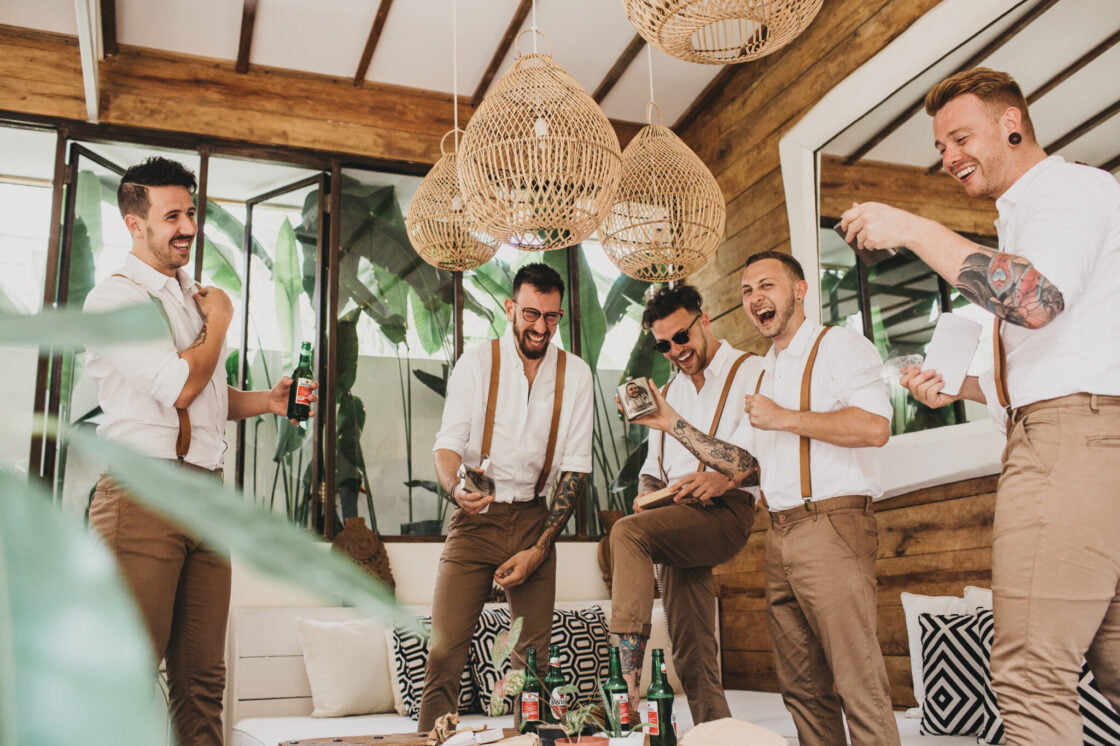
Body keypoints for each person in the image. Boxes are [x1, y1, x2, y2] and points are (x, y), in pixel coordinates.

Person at [842, 67, 1120, 743]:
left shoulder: (1065, 190)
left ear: (1011, 123)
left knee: (1030, 675)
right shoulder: (1031, 214)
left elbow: (1035, 300)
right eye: (941, 146)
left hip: (1070, 445)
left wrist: (912, 228)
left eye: (961, 137)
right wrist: (964, 388)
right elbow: (1060, 349)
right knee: (1114, 660)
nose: (949, 156)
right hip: (1089, 437)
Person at [84, 156, 316, 746]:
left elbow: (205, 399)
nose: (188, 227)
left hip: (207, 496)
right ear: (135, 223)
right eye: (172, 216)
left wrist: (266, 401)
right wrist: (221, 319)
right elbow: (180, 385)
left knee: (202, 682)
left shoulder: (194, 297)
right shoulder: (114, 300)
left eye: (191, 212)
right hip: (144, 496)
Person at [633, 252, 900, 746]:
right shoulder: (767, 370)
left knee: (857, 681)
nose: (756, 298)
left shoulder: (839, 345)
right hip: (779, 530)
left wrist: (783, 418)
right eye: (747, 291)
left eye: (767, 285)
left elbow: (874, 428)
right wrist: (674, 429)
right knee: (802, 689)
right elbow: (739, 463)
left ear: (799, 290)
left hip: (832, 522)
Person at [419, 263, 593, 731]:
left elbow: (575, 470)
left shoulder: (576, 375)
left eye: (552, 317)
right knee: (444, 651)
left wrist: (540, 549)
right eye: (531, 314)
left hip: (536, 519)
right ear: (510, 308)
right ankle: (430, 742)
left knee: (532, 663)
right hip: (476, 521)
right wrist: (456, 489)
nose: (541, 327)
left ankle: (527, 741)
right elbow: (447, 444)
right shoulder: (476, 363)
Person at [610, 284, 763, 724]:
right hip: (675, 515)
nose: (676, 350)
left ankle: (626, 685)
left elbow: (750, 464)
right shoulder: (669, 390)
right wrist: (646, 492)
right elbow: (652, 468)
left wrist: (720, 477)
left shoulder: (751, 371)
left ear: (704, 321)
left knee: (626, 533)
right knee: (690, 645)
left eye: (682, 337)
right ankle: (717, 731)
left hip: (726, 511)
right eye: (664, 345)